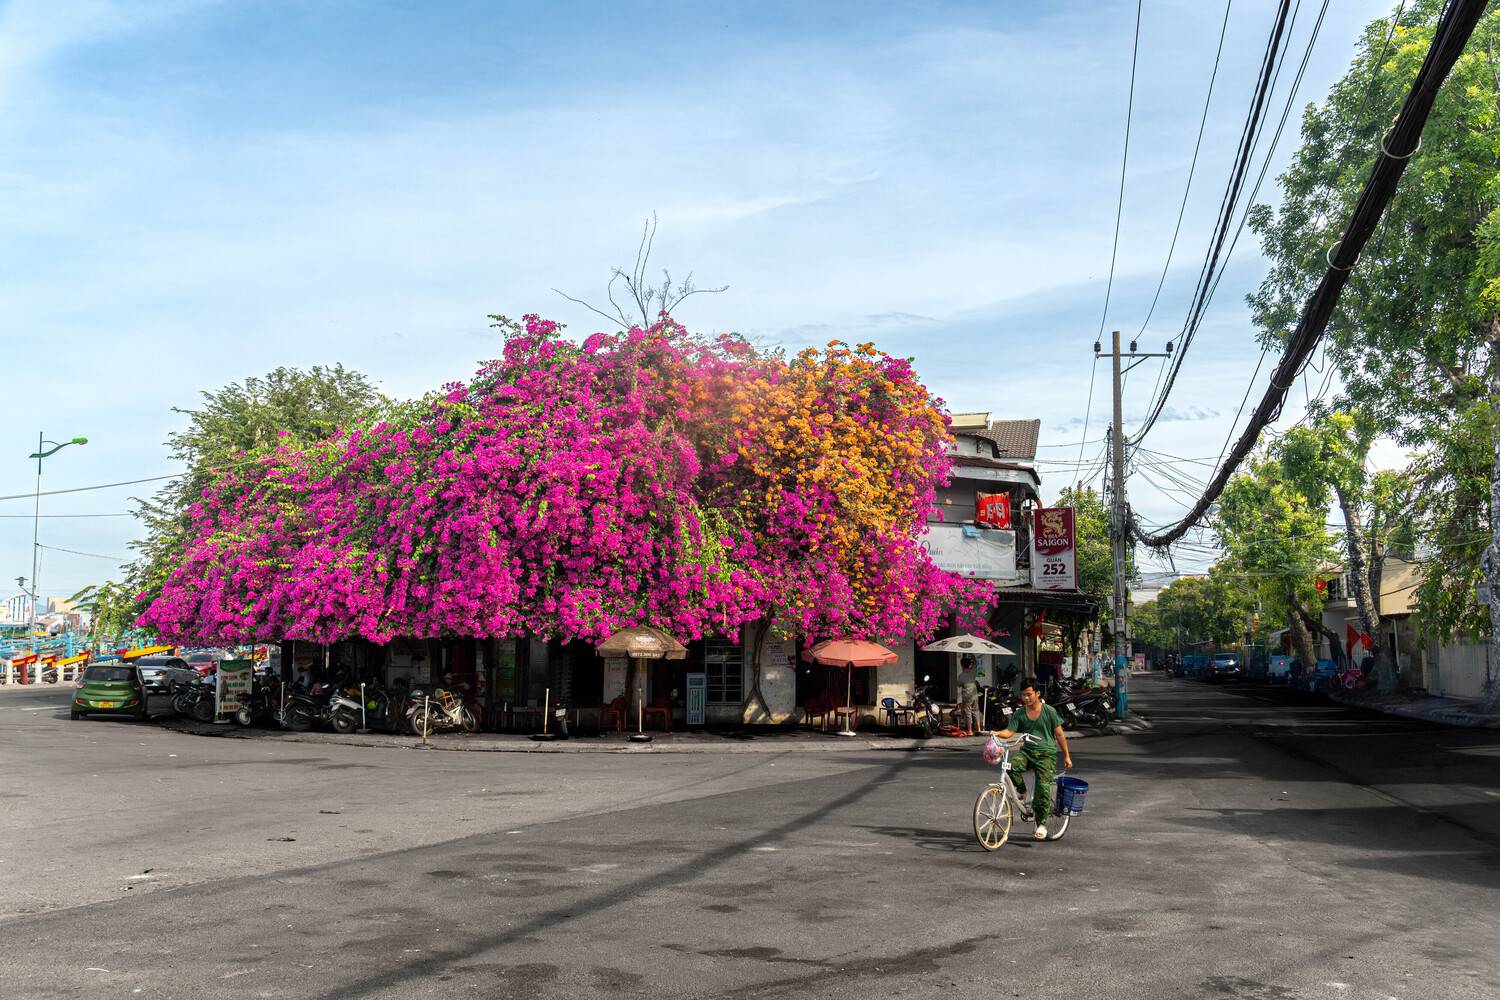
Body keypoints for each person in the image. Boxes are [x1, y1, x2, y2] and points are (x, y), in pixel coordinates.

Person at [991, 677, 1073, 840]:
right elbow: (1010, 732)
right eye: (1023, 695)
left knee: (1043, 788)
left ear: (1037, 693)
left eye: (1029, 694)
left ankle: (1042, 824)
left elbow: (1059, 734)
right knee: (1010, 766)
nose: (1026, 698)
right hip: (1027, 752)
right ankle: (1021, 791)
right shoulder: (1020, 713)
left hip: (1046, 755)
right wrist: (996, 733)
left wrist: (1067, 756)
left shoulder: (1049, 711)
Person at [956, 655, 980, 735]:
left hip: (967, 697)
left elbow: (959, 685)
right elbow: (976, 663)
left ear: (962, 665)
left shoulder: (961, 676)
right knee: (976, 711)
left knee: (968, 713)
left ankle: (970, 731)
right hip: (975, 695)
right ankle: (979, 729)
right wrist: (973, 655)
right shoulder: (972, 672)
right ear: (969, 665)